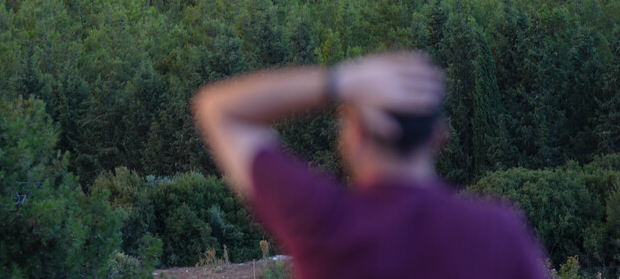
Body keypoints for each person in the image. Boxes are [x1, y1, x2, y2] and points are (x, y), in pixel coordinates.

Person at [192, 50, 551, 278]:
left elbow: (218, 109)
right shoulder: (498, 232)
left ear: (354, 139)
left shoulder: (325, 222)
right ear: (439, 137)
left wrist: (341, 82)